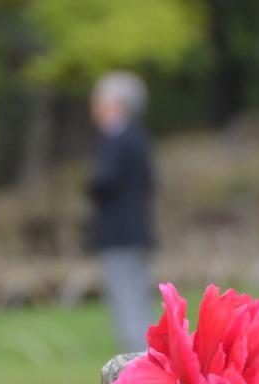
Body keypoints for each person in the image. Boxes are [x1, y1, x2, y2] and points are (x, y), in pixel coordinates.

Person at [87, 70, 156, 355]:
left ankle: (135, 357)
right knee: (138, 294)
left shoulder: (117, 139)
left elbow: (105, 182)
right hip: (137, 229)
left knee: (127, 297)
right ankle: (145, 354)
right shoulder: (139, 139)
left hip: (119, 232)